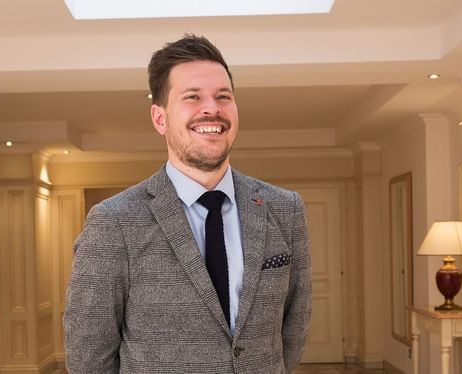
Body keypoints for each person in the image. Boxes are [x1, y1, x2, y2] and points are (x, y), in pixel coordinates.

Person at [63, 34, 312, 374]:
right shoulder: (114, 222)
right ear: (159, 118)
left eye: (223, 96)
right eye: (193, 96)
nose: (212, 108)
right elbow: (88, 357)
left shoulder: (285, 209)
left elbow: (293, 329)